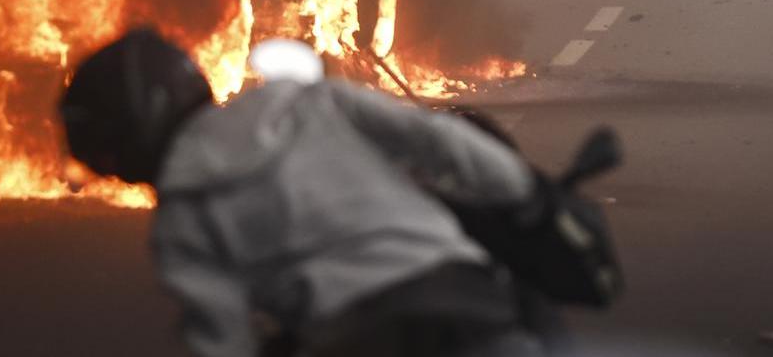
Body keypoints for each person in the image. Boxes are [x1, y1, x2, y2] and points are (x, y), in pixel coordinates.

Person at [59, 29, 541, 357]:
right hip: (470, 298)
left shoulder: (180, 223)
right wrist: (528, 192)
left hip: (354, 339)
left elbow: (224, 343)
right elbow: (438, 139)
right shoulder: (307, 101)